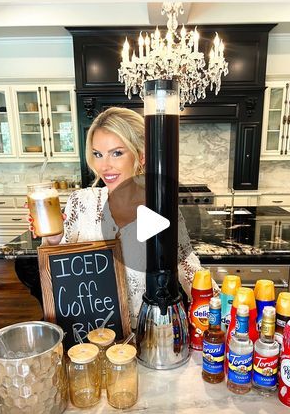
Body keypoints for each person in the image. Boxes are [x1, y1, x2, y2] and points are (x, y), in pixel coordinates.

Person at [29, 107, 219, 329]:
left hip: (147, 339)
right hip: (90, 338)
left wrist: (226, 307)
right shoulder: (80, 203)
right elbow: (61, 271)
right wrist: (53, 238)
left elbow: (190, 272)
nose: (104, 165)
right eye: (98, 154)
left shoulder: (160, 209)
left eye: (116, 153)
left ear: (140, 155)